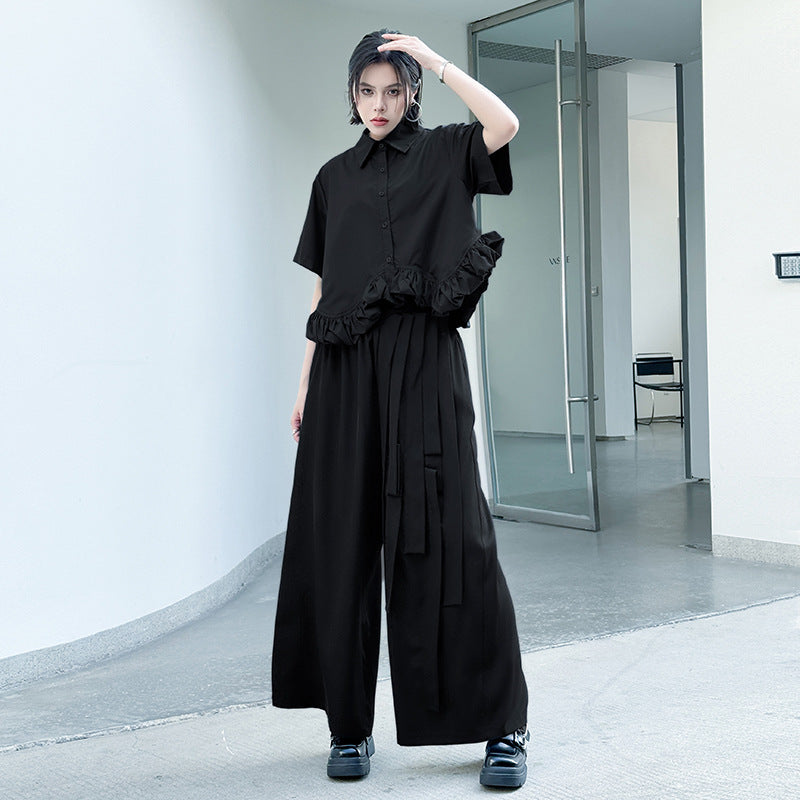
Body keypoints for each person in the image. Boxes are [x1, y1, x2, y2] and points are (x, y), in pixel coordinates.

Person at [271, 28, 530, 789]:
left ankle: (502, 726)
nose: (378, 105)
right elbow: (325, 287)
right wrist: (304, 383)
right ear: (352, 96)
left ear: (412, 92)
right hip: (345, 370)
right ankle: (348, 728)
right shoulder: (332, 178)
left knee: (454, 541)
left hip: (423, 362)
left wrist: (437, 60)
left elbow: (505, 123)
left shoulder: (448, 152)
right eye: (366, 91)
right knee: (342, 543)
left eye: (393, 90)